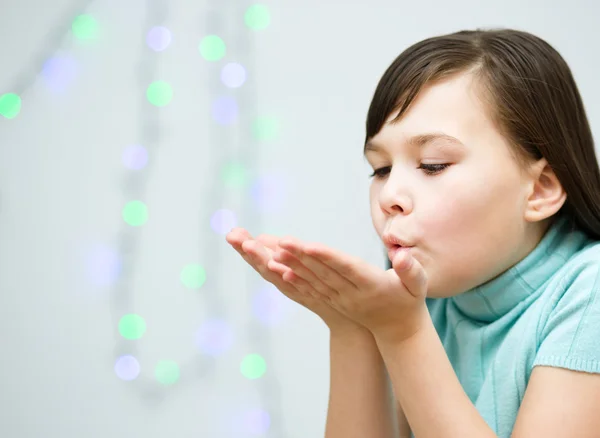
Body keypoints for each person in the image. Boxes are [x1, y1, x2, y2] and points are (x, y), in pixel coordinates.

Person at [226, 28, 600, 437]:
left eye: (433, 164)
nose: (390, 195)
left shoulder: (590, 291)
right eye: (381, 169)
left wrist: (404, 334)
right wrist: (352, 326)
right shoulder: (430, 298)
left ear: (541, 188)